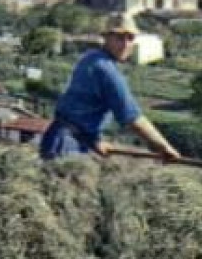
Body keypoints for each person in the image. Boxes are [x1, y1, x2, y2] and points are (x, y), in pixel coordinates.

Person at [40, 12, 181, 162]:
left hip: (65, 138)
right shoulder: (105, 70)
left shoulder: (91, 57)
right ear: (106, 38)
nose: (125, 44)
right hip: (67, 144)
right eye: (119, 38)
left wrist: (94, 141)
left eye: (130, 38)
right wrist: (165, 148)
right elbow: (132, 118)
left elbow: (80, 109)